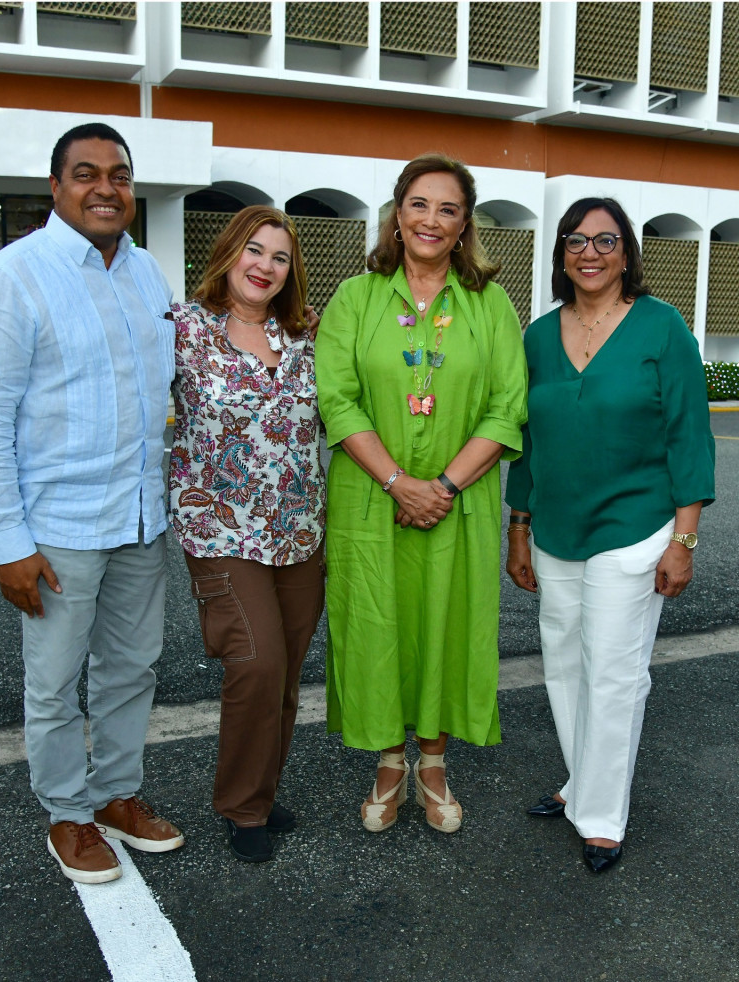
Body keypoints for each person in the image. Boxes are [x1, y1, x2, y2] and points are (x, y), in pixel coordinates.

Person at [0, 122, 184, 885]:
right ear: (55, 187)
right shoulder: (12, 277)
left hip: (141, 517)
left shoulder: (148, 273)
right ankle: (67, 811)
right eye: (85, 173)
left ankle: (117, 792)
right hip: (57, 529)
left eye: (119, 174)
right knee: (54, 682)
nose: (105, 187)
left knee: (132, 668)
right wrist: (7, 544)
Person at [314, 153, 528, 834]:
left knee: (447, 621)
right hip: (370, 501)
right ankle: (387, 761)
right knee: (378, 624)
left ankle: (433, 762)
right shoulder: (356, 297)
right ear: (397, 214)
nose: (431, 220)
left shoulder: (489, 303)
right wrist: (398, 483)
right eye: (419, 204)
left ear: (465, 225)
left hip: (457, 504)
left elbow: (506, 405)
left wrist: (440, 486)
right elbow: (337, 398)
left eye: (448, 209)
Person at [505, 197, 715, 873]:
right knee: (564, 662)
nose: (589, 253)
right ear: (561, 253)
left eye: (604, 240)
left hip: (636, 525)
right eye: (575, 240)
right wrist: (520, 524)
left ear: (627, 252)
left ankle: (600, 817)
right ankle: (581, 783)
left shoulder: (662, 329)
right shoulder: (538, 336)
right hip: (557, 527)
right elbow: (529, 443)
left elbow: (689, 436)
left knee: (615, 673)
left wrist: (683, 540)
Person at [168, 206, 325, 863]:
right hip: (220, 529)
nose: (264, 266)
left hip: (300, 529)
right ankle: (240, 805)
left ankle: (260, 789)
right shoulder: (182, 329)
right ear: (229, 254)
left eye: (279, 257)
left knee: (285, 672)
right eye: (253, 251)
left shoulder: (308, 337)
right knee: (256, 661)